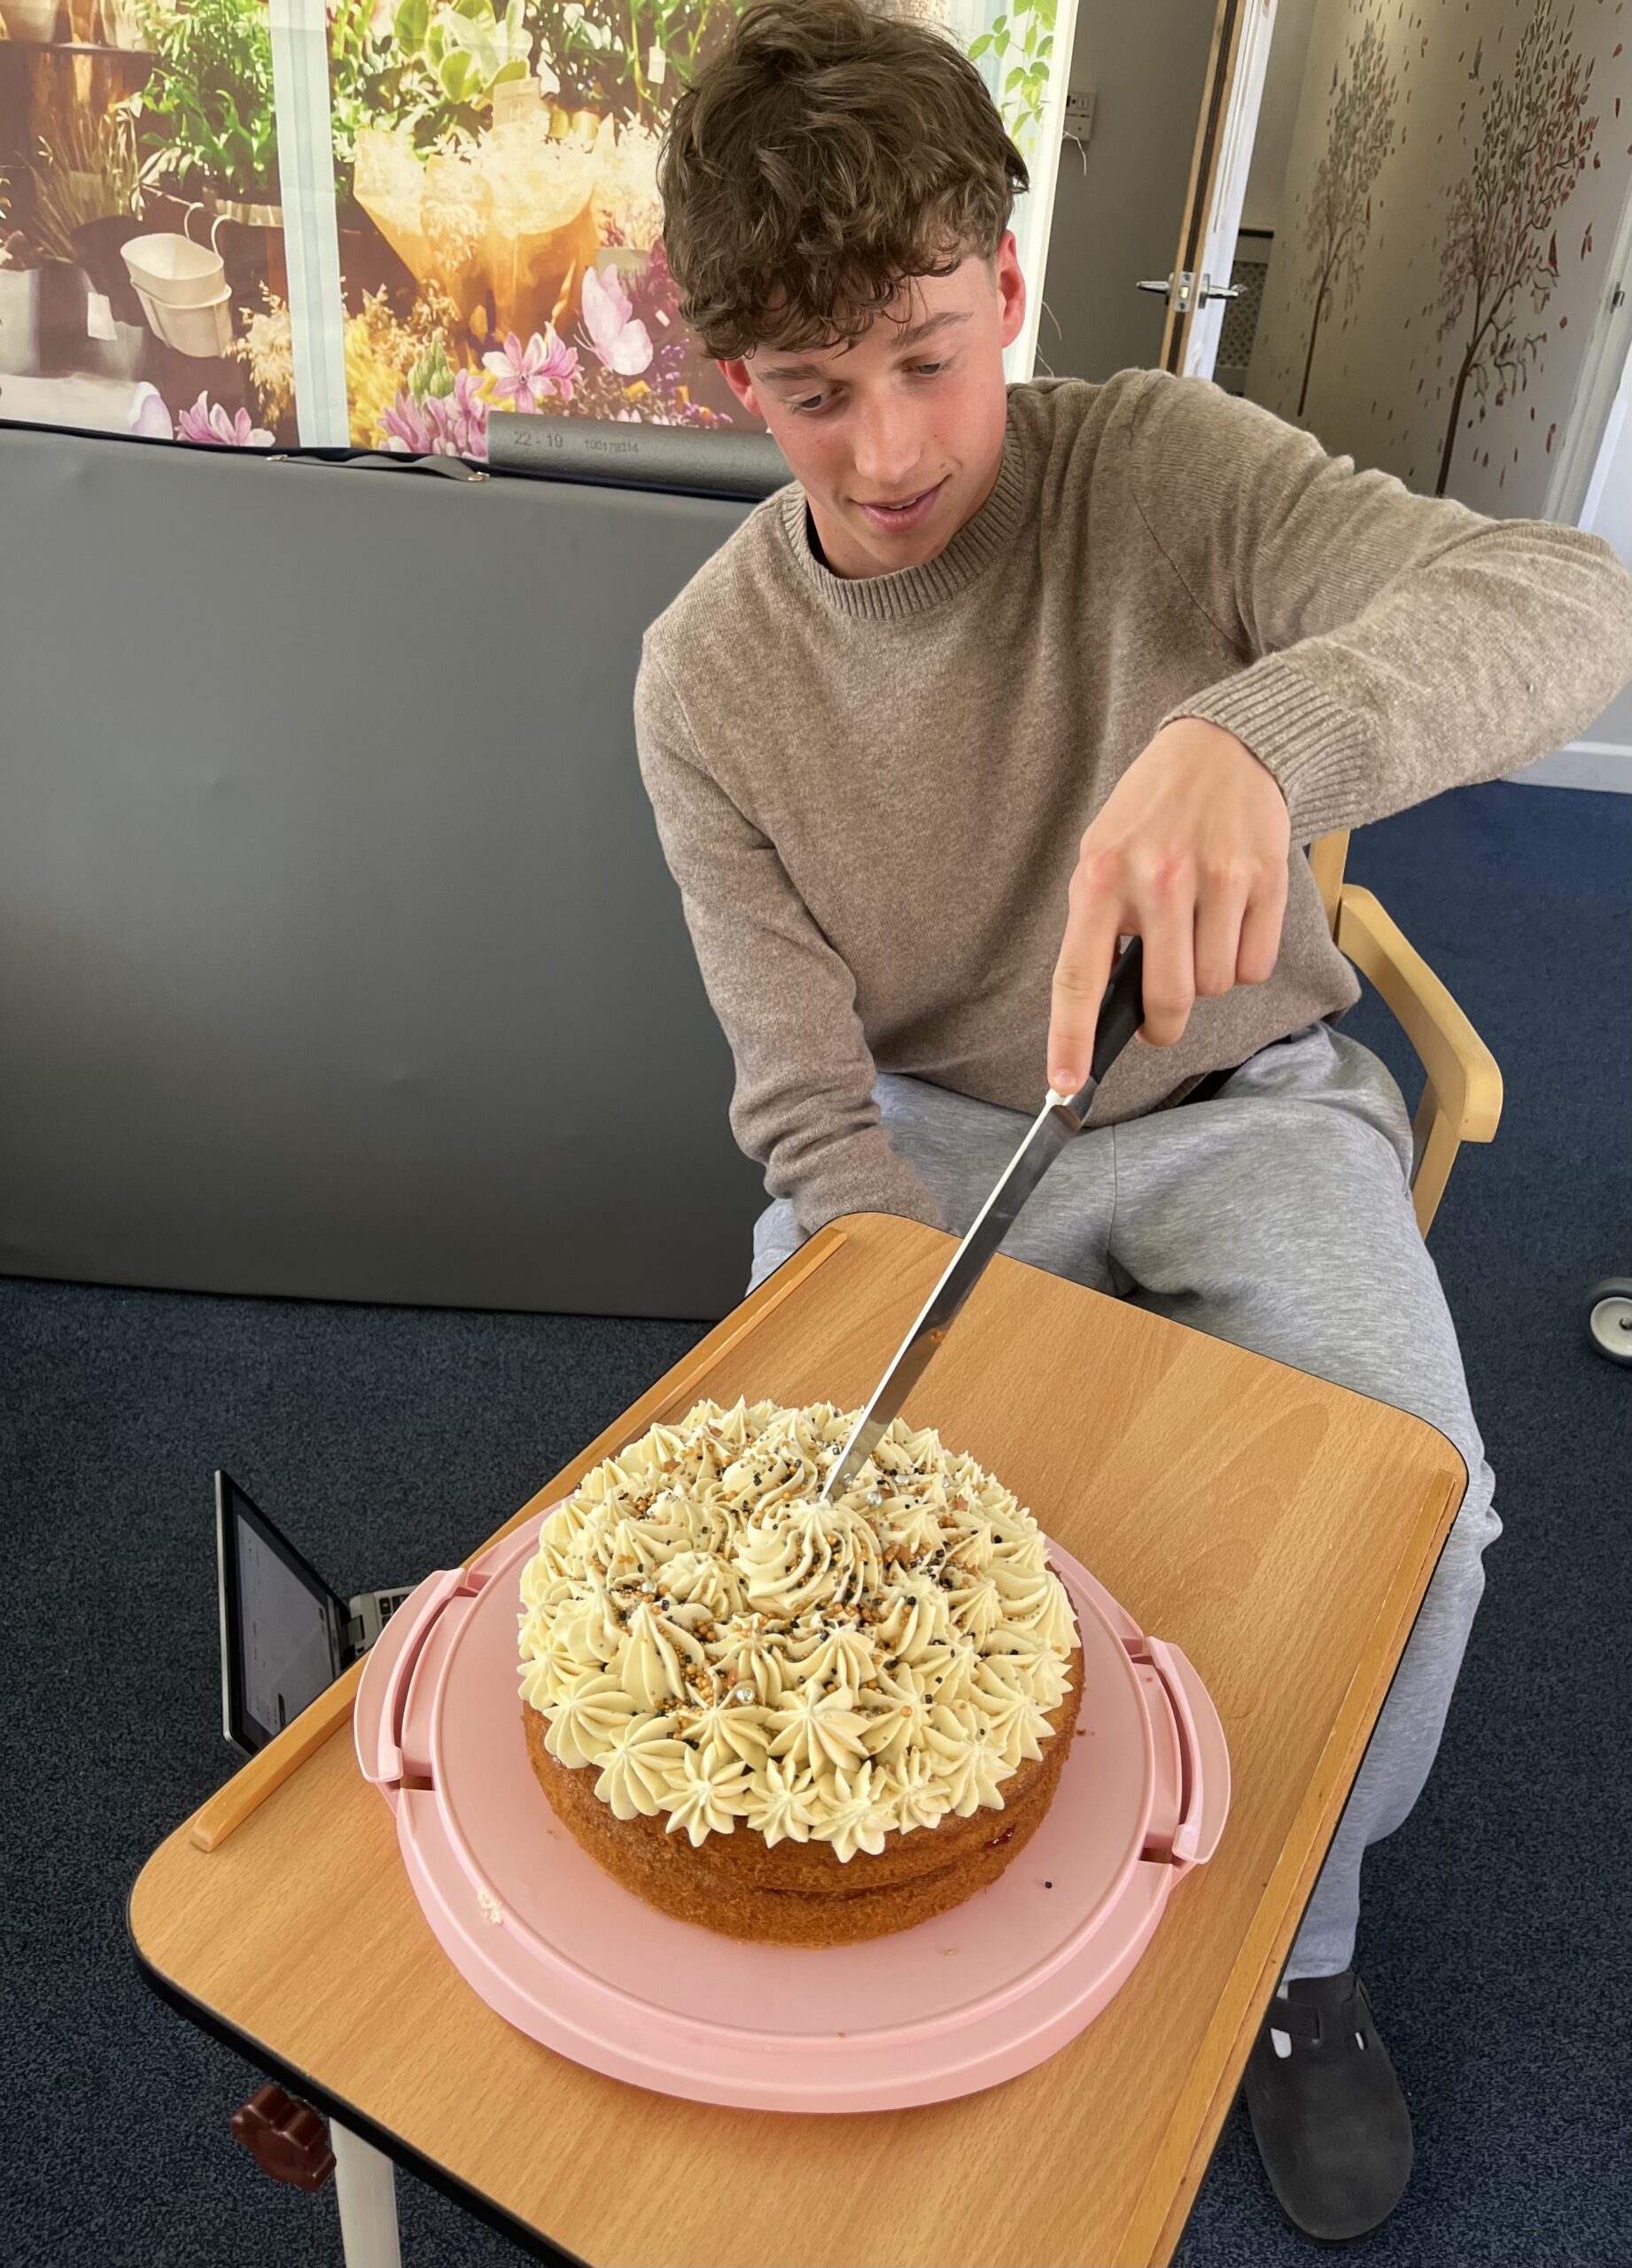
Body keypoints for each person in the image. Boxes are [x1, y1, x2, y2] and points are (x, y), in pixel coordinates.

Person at [632, 0, 1632, 2242]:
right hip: (906, 1144)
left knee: (1420, 1515)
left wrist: (1269, 735)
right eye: (811, 391)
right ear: (735, 384)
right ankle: (910, 1894)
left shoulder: (1169, 462)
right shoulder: (703, 681)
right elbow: (798, 1090)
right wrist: (923, 1319)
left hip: (1240, 1094)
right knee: (837, 1530)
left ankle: (1304, 1952)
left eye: (922, 352)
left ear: (1004, 275)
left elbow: (1576, 601)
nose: (884, 447)